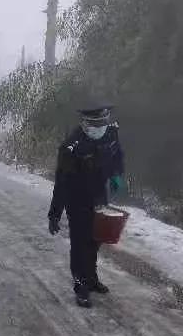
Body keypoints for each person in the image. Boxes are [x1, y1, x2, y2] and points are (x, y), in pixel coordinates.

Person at [47, 104, 125, 308]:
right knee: (80, 243)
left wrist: (117, 173)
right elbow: (62, 184)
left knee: (95, 240)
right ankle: (80, 284)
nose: (100, 127)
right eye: (95, 124)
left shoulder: (110, 134)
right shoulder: (71, 148)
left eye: (102, 123)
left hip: (99, 197)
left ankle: (91, 278)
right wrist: (54, 214)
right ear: (84, 124)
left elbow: (118, 155)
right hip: (77, 200)